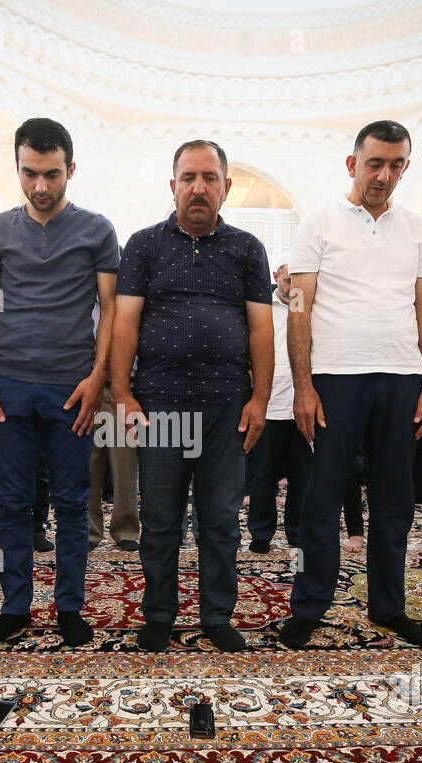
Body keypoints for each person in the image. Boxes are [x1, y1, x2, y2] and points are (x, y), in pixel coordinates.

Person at [278, 120, 422, 649]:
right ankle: (310, 606)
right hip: (334, 380)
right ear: (353, 164)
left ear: (406, 168)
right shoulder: (319, 222)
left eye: (396, 165)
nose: (384, 174)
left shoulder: (416, 226)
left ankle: (389, 608)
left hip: (401, 380)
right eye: (375, 163)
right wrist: (303, 386)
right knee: (321, 499)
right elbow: (299, 305)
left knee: (395, 499)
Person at [111, 139, 273, 652]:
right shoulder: (143, 245)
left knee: (221, 519)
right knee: (160, 519)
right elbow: (125, 323)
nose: (198, 188)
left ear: (225, 187)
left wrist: (260, 400)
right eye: (188, 177)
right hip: (160, 404)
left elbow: (262, 330)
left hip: (228, 404)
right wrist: (122, 394)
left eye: (209, 178)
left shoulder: (248, 249)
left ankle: (216, 615)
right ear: (173, 185)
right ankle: (159, 614)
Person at [0, 118, 119, 647]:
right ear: (17, 169)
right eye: (30, 173)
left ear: (70, 170)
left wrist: (98, 377)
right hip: (7, 386)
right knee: (11, 503)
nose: (40, 186)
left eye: (52, 174)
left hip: (70, 388)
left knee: (74, 502)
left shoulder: (98, 231)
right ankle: (15, 607)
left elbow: (111, 308)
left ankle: (68, 607)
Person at [247, 264, 309, 553]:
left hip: (302, 407)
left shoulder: (310, 306)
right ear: (276, 278)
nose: (292, 286)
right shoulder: (261, 307)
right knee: (262, 476)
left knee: (302, 475)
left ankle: (296, 532)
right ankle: (261, 534)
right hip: (269, 405)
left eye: (297, 280)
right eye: (287, 280)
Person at [88, 300, 141, 552]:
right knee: (88, 465)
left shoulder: (129, 303)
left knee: (125, 464)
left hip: (124, 389)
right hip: (88, 389)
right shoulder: (81, 299)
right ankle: (88, 531)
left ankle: (126, 529)